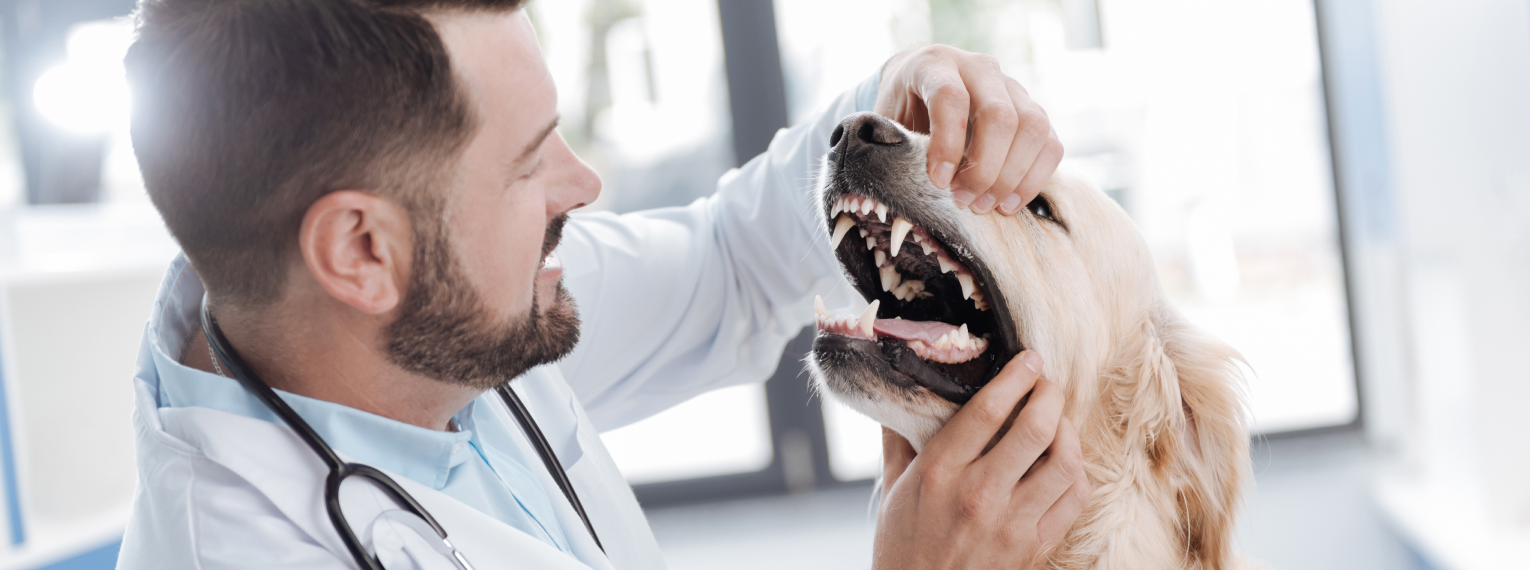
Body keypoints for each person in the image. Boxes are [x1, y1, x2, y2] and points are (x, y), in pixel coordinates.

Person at [116, 0, 1089, 568]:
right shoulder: (248, 550)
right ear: (361, 250)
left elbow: (729, 264)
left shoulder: (414, 308)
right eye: (528, 161)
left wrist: (904, 93)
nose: (582, 184)